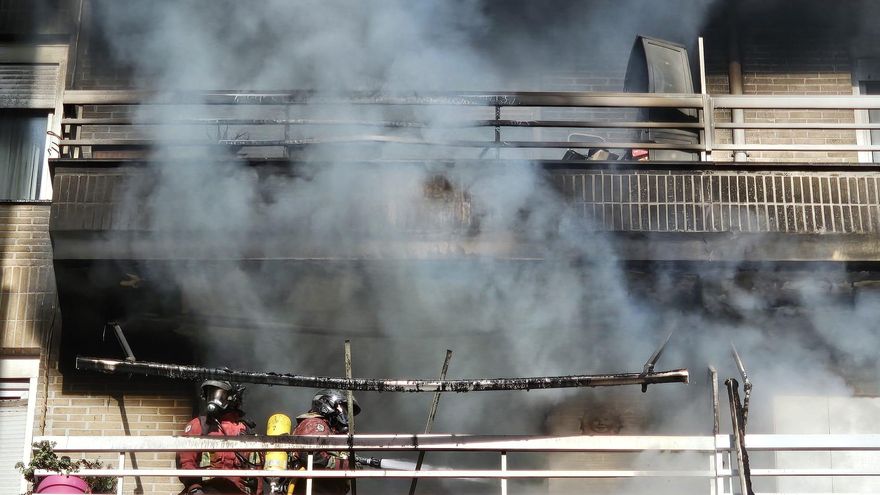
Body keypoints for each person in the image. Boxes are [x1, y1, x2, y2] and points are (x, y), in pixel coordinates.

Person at [177, 380, 263, 495]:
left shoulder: (244, 429)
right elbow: (186, 461)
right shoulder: (199, 425)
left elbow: (256, 467)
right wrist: (195, 488)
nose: (213, 400)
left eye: (219, 394)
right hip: (206, 488)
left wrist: (257, 488)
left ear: (232, 398)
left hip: (237, 491)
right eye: (210, 394)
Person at [291, 389, 361, 495]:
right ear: (329, 404)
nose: (347, 417)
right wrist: (347, 465)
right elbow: (314, 456)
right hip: (311, 490)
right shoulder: (315, 424)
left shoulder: (331, 432)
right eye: (345, 410)